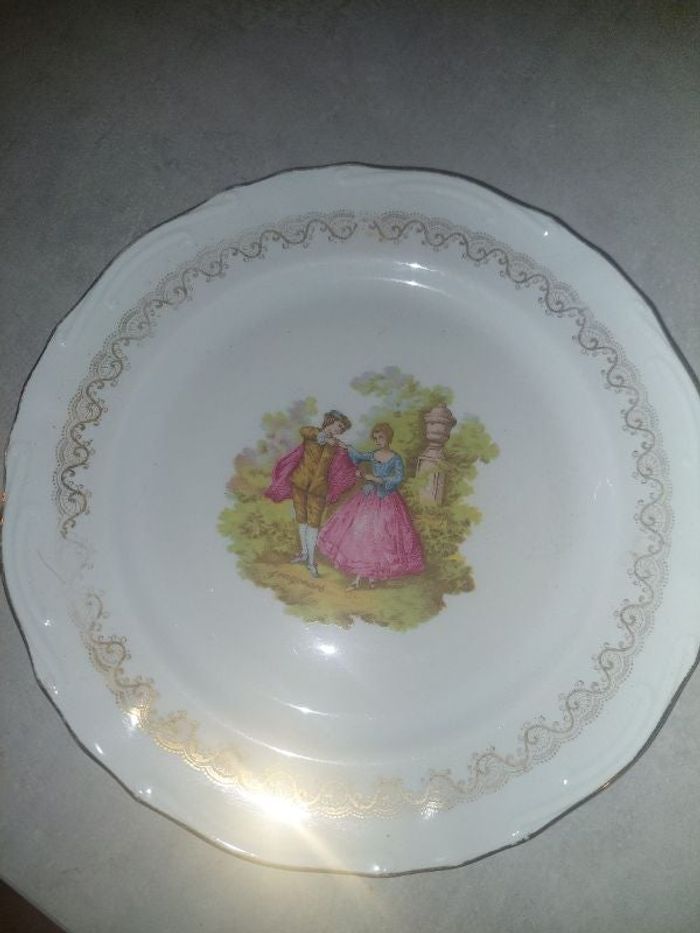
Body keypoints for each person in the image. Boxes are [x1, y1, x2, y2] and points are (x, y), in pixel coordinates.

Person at [318, 422, 425, 588]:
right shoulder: (374, 454)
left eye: (381, 437)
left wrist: (377, 479)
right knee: (363, 534)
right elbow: (358, 456)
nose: (378, 441)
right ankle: (359, 578)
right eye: (375, 438)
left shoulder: (395, 458)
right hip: (369, 497)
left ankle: (372, 577)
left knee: (381, 537)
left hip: (387, 499)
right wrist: (346, 447)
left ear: (388, 438)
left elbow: (398, 477)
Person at [265, 410, 355, 576]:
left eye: (342, 429)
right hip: (300, 482)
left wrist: (348, 451)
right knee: (301, 520)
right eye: (339, 426)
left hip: (318, 489)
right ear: (330, 421)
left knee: (313, 524)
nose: (340, 430)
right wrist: (325, 438)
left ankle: (311, 562)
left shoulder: (335, 445)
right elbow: (305, 431)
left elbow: (344, 464)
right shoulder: (312, 432)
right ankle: (305, 553)